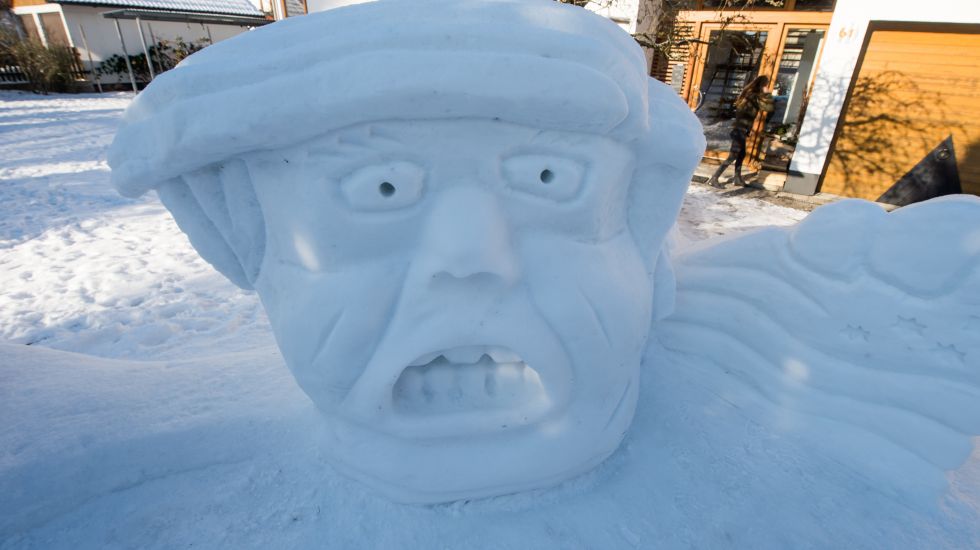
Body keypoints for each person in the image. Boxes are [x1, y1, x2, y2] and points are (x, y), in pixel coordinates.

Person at [706, 74, 774, 189]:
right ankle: (714, 178)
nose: (767, 87)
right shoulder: (754, 97)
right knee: (732, 156)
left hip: (740, 129)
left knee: (741, 154)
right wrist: (767, 94)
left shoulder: (748, 94)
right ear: (763, 85)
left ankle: (737, 178)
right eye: (766, 85)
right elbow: (768, 108)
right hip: (740, 130)